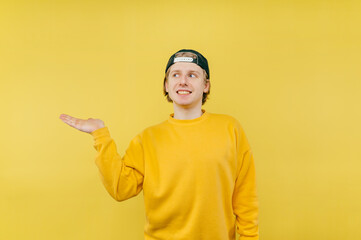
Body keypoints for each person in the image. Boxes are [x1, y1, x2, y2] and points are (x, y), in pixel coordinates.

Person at [59, 49, 259, 240]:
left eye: (192, 75)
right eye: (175, 75)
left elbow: (245, 195)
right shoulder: (147, 139)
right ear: (166, 84)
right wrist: (99, 134)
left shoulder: (230, 129)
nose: (183, 81)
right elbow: (120, 188)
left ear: (205, 85)